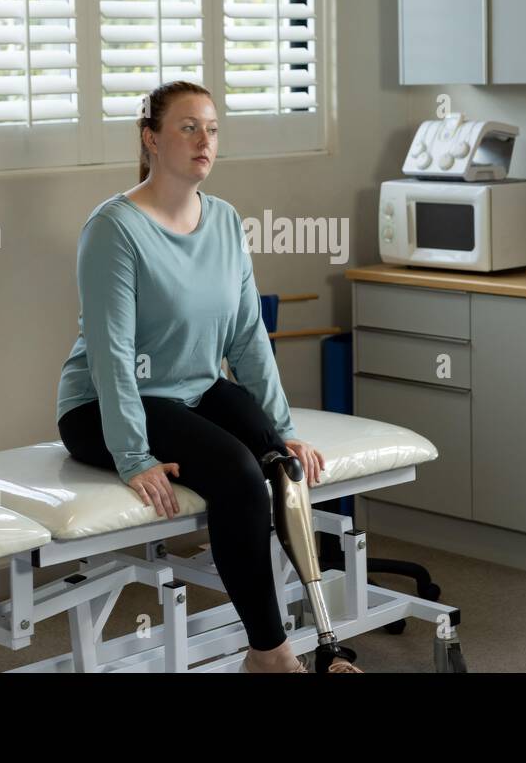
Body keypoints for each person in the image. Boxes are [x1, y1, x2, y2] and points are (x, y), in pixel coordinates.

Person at [55, 81, 362, 673]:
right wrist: (133, 455)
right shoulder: (113, 229)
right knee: (240, 478)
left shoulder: (222, 221)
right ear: (151, 139)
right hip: (106, 406)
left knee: (281, 462)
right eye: (188, 127)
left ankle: (322, 635)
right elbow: (111, 352)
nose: (205, 141)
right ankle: (270, 654)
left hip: (192, 390)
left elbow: (248, 336)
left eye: (213, 128)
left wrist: (281, 427)